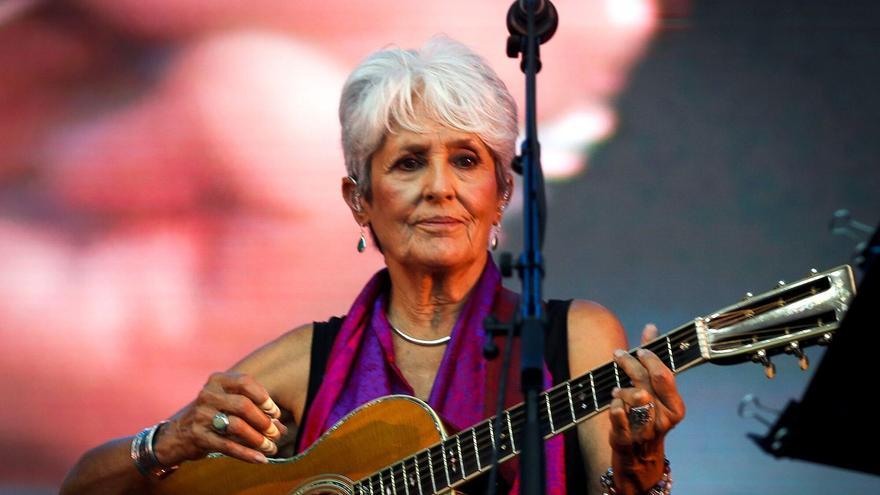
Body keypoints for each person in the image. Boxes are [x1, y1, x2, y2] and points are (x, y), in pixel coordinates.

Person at [60, 37, 685, 495]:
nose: (440, 187)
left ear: (501, 193)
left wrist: (642, 466)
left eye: (466, 161)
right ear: (359, 199)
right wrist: (168, 442)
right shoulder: (305, 362)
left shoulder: (573, 340)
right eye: (409, 161)